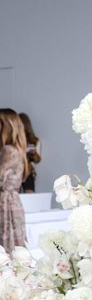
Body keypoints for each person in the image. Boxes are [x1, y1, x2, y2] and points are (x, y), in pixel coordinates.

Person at [0, 108, 28, 252]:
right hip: (13, 202)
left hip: (5, 203)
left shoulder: (8, 150)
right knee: (15, 246)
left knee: (6, 248)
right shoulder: (17, 149)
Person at [18, 112, 42, 193]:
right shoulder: (14, 141)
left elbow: (37, 160)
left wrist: (32, 153)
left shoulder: (35, 141)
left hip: (28, 171)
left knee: (29, 195)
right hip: (15, 172)